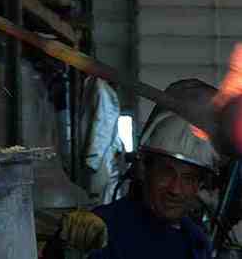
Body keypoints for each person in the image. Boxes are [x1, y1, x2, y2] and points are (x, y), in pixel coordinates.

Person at [54, 108, 217, 258]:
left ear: (198, 186)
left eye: (188, 179)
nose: (175, 189)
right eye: (166, 173)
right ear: (144, 170)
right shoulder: (101, 230)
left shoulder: (196, 240)